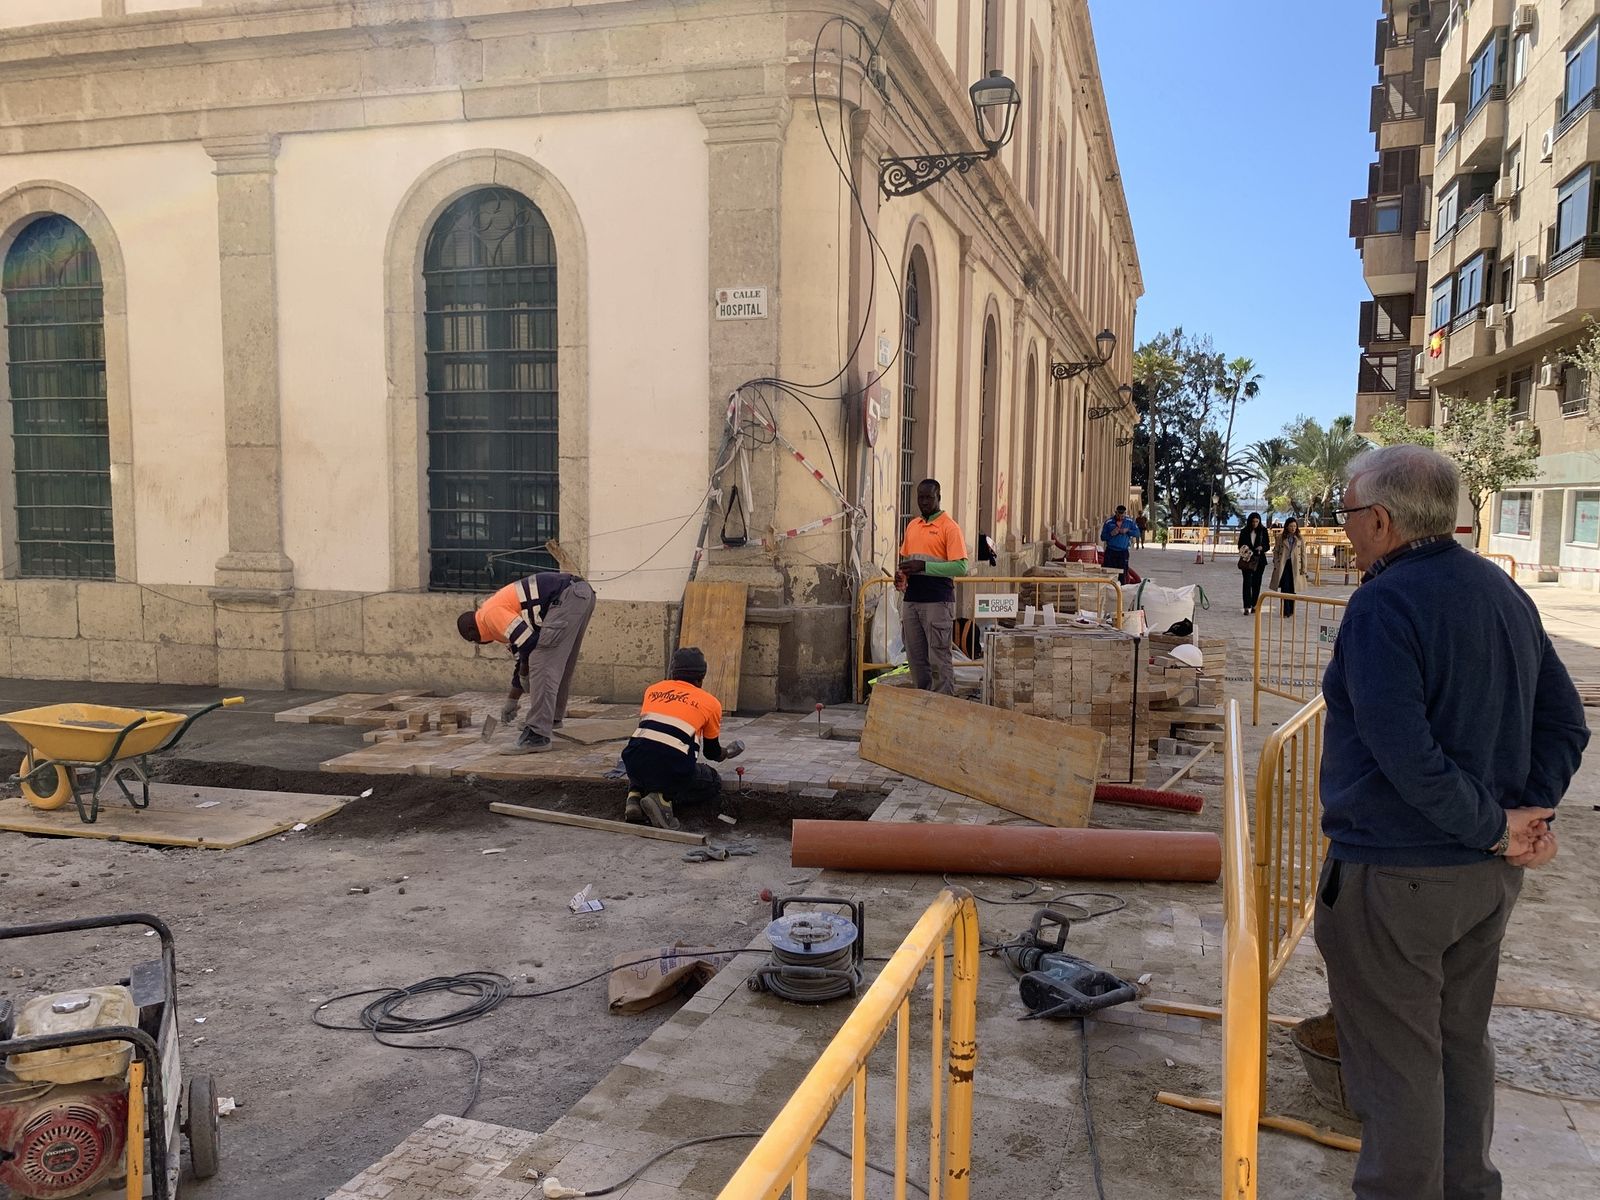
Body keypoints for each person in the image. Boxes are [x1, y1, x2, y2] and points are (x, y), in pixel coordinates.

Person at [1314, 444, 1588, 1200]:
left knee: (1397, 1065)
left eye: (1347, 517)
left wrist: (1501, 827)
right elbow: (1566, 725)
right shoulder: (1500, 593)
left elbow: (1406, 753)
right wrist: (1525, 816)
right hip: (1484, 882)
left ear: (1380, 518)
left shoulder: (1384, 602)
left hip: (1398, 873)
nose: (1346, 532)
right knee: (1460, 1046)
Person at [456, 570, 596, 754]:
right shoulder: (495, 616)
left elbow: (529, 644)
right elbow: (521, 654)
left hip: (567, 596)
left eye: (474, 641)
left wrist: (525, 673)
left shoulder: (490, 615)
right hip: (579, 595)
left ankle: (537, 735)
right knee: (559, 661)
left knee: (542, 660)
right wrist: (512, 700)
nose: (480, 644)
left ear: (471, 631)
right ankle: (551, 718)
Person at [621, 646, 745, 830]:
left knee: (647, 753)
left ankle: (634, 796)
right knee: (711, 780)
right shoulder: (710, 703)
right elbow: (712, 753)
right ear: (701, 678)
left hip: (633, 763)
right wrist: (726, 753)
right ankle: (662, 799)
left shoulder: (652, 690)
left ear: (672, 672)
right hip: (673, 769)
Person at [896, 479, 968, 695]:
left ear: (938, 497)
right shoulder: (913, 526)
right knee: (916, 658)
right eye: (920, 497)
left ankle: (943, 703)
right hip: (912, 600)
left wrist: (924, 566)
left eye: (929, 497)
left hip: (937, 601)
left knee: (938, 657)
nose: (924, 502)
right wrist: (901, 576)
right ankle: (923, 702)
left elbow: (961, 566)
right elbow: (906, 559)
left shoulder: (949, 527)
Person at [1267, 516, 1305, 618]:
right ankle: (1285, 610)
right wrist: (1276, 562)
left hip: (1295, 565)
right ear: (1287, 526)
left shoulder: (1300, 538)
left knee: (1293, 588)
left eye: (1294, 526)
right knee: (1285, 588)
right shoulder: (1280, 537)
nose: (1293, 528)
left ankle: (1291, 610)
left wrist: (1304, 568)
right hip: (1284, 565)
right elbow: (1276, 551)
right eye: (1291, 526)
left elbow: (1303, 554)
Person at [1237, 512, 1270, 615]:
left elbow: (1267, 545)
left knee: (1256, 583)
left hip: (1259, 560)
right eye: (1253, 521)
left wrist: (1262, 547)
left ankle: (1254, 605)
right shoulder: (1244, 531)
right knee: (1247, 582)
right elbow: (1240, 545)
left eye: (1257, 521)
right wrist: (1246, 550)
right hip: (1247, 560)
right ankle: (1246, 606)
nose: (1255, 523)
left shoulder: (1263, 531)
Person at [1100, 504, 1136, 584]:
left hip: (1123, 552)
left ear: (1125, 514)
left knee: (1122, 574)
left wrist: (1128, 531)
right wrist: (1111, 534)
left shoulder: (1129, 522)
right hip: (1110, 552)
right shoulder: (1109, 522)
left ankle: (1121, 590)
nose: (1120, 517)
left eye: (1122, 516)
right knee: (1108, 573)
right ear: (1115, 513)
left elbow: (1137, 533)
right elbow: (1102, 537)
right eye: (1119, 515)